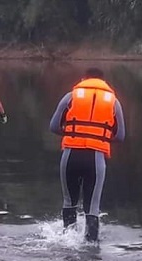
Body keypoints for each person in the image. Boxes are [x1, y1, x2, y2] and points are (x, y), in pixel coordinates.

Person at [49, 68, 126, 242]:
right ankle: (91, 247)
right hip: (96, 158)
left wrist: (74, 133)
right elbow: (120, 136)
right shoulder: (114, 102)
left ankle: (67, 241)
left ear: (83, 79)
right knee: (92, 207)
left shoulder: (70, 96)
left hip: (70, 155)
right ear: (104, 82)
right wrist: (99, 137)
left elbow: (53, 127)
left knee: (69, 201)